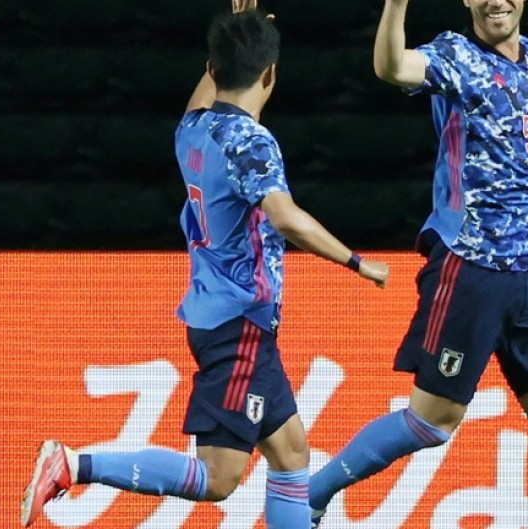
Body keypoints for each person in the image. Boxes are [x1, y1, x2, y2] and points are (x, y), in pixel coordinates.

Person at [20, 2, 389, 527]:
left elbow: (205, 95)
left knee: (292, 456)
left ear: (213, 69)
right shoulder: (253, 143)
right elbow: (286, 218)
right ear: (271, 74)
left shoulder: (192, 132)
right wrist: (357, 263)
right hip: (238, 326)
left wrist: (236, 35)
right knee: (218, 478)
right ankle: (74, 465)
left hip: (225, 320)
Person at [308, 1, 528, 528]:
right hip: (470, 265)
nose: (497, 1)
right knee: (431, 423)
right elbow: (392, 68)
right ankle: (312, 494)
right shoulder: (453, 55)